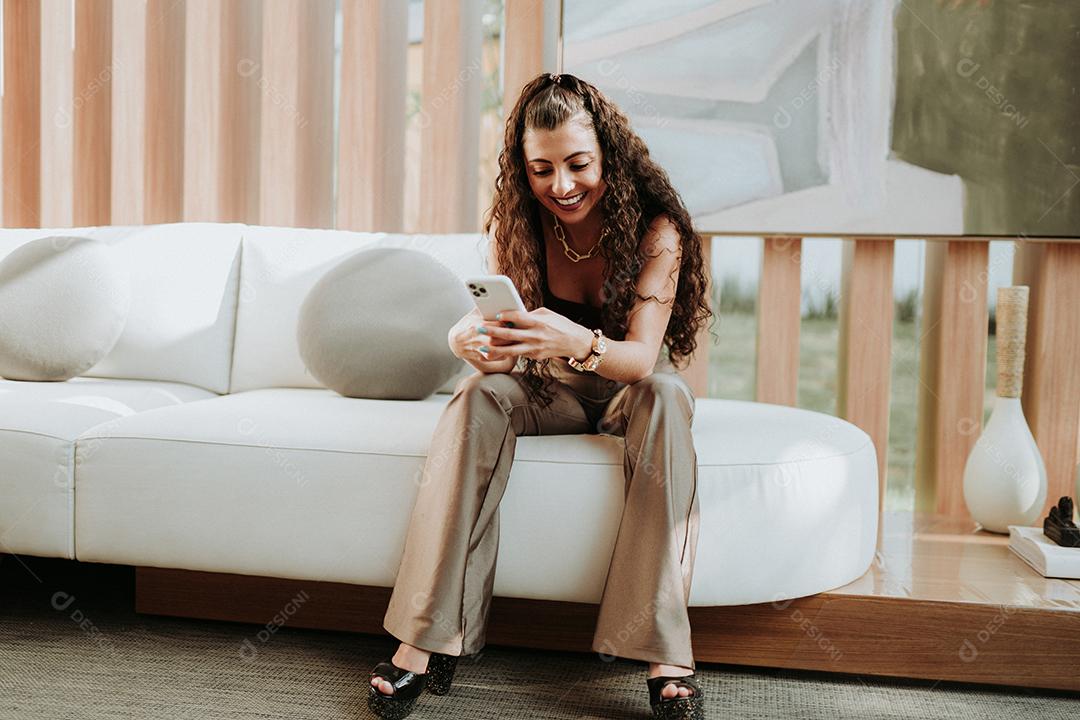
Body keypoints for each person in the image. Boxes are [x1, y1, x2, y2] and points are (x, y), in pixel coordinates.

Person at [367, 72, 712, 720]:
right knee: (475, 398)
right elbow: (503, 327)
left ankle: (666, 654)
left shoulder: (657, 230)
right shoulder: (523, 222)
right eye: (542, 169)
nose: (562, 185)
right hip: (547, 387)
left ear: (608, 155)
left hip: (628, 387)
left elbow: (640, 358)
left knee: (666, 396)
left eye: (579, 165)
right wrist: (465, 339)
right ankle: (424, 639)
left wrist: (574, 338)